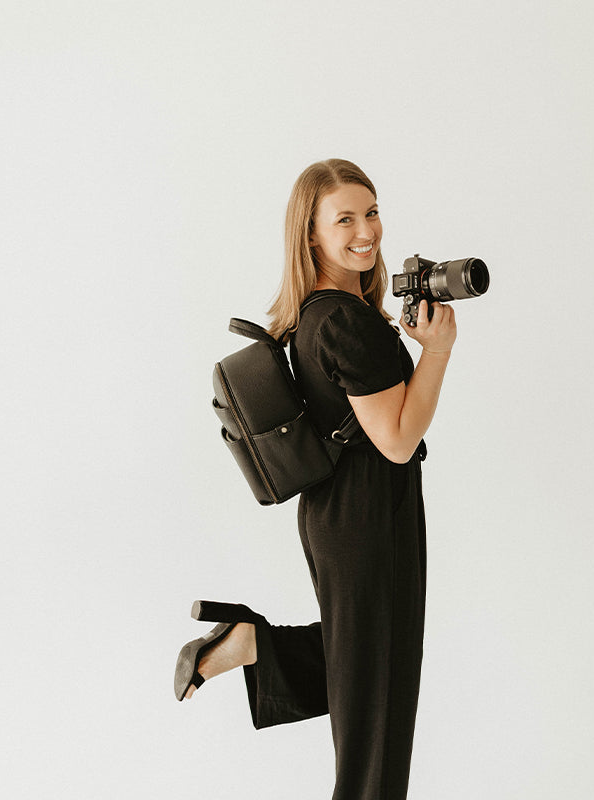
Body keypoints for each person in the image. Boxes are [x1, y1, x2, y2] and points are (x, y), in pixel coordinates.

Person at [173, 158, 456, 799]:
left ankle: (254, 646)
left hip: (346, 516)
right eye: (345, 218)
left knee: (365, 670)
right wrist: (437, 351)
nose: (367, 231)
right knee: (374, 714)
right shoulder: (346, 321)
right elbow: (397, 438)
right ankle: (254, 648)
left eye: (373, 211)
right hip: (366, 520)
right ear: (311, 235)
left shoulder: (322, 314)